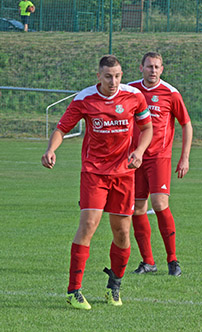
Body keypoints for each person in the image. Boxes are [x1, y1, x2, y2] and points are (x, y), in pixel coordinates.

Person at [41, 55, 153, 309]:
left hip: (124, 174)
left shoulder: (134, 97)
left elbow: (147, 129)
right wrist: (51, 149)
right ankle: (73, 291)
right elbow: (61, 129)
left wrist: (139, 152)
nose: (113, 82)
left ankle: (114, 286)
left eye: (117, 76)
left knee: (122, 232)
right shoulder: (84, 99)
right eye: (108, 77)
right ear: (98, 77)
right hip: (94, 173)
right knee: (88, 224)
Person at [128, 52, 193, 277]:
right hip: (135, 158)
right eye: (149, 67)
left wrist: (184, 157)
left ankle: (173, 260)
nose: (152, 71)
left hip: (159, 157)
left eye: (156, 67)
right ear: (141, 68)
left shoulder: (170, 93)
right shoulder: (131, 91)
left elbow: (186, 124)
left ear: (162, 69)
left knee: (159, 203)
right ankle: (148, 262)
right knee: (136, 208)